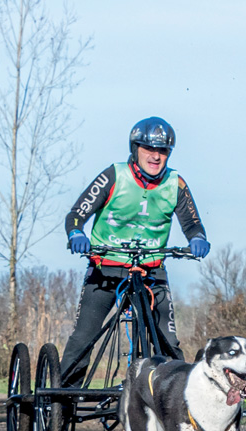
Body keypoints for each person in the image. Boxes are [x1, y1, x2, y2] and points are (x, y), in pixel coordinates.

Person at [59, 116, 210, 389]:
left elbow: (192, 223)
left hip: (151, 271)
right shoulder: (114, 176)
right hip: (105, 269)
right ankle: (64, 400)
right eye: (149, 149)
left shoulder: (175, 184)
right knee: (83, 338)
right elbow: (76, 214)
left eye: (163, 150)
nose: (156, 156)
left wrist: (198, 238)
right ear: (135, 148)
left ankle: (177, 401)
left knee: (168, 341)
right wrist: (76, 234)